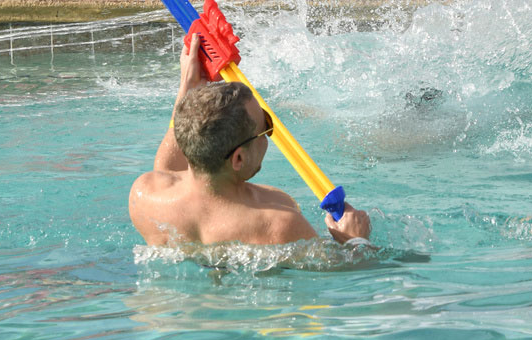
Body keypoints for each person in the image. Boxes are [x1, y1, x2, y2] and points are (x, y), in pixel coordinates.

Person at [129, 33, 371, 247]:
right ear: (239, 158)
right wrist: (357, 241)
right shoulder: (278, 225)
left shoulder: (145, 196)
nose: (270, 133)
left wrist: (187, 88)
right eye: (265, 126)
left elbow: (167, 170)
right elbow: (343, 274)